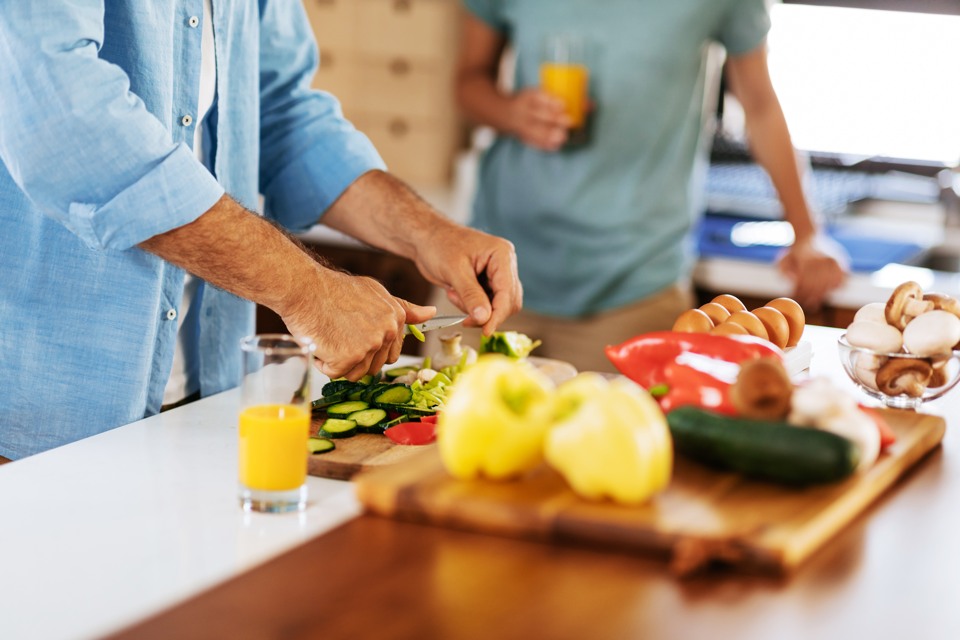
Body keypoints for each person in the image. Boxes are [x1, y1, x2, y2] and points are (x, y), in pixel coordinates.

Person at [0, 2, 522, 461]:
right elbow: (64, 124)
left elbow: (282, 115)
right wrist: (308, 290)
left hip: (205, 411)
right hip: (35, 432)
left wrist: (427, 232)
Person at [450, 0, 848, 373]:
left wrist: (807, 233)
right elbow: (469, 80)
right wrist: (512, 112)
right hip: (492, 272)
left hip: (633, 285)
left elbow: (759, 105)